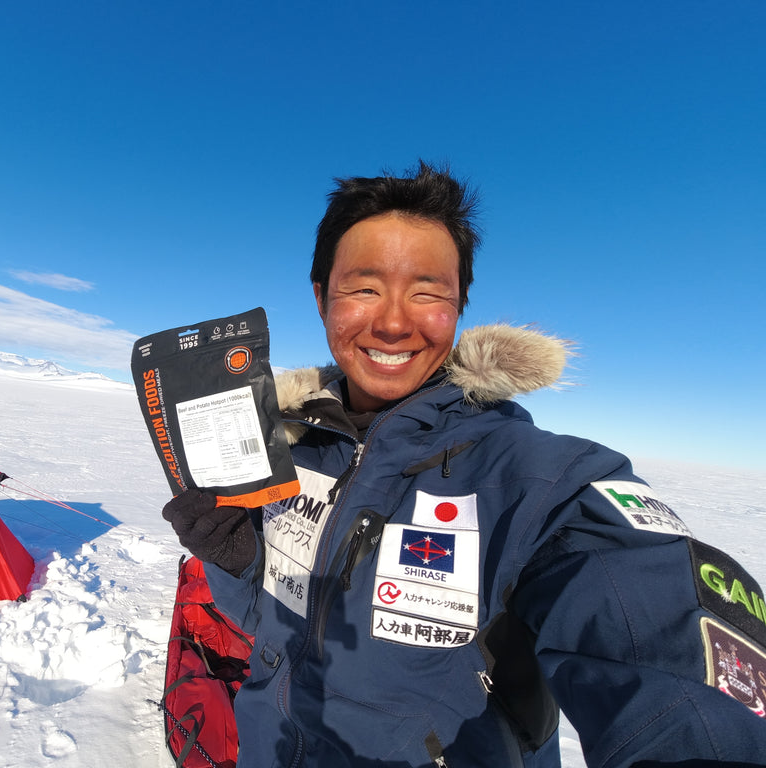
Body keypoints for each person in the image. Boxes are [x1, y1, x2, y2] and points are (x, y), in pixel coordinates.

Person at [162, 161, 766, 767]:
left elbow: (650, 622)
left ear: (459, 308)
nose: (394, 322)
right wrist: (240, 564)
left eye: (427, 293)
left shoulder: (536, 478)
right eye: (364, 288)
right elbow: (278, 625)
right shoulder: (292, 447)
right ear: (321, 298)